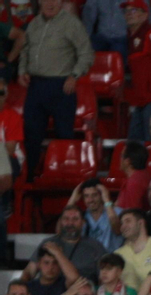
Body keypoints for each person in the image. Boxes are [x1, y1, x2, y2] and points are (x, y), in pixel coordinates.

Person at [18, 0, 93, 180]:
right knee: (31, 136)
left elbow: (86, 53)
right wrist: (22, 71)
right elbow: (25, 50)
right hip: (36, 86)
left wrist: (74, 75)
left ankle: (63, 179)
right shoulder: (34, 23)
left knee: (64, 136)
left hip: (61, 87)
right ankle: (30, 180)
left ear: (61, 2)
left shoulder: (72, 23)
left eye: (55, 0)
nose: (50, 3)